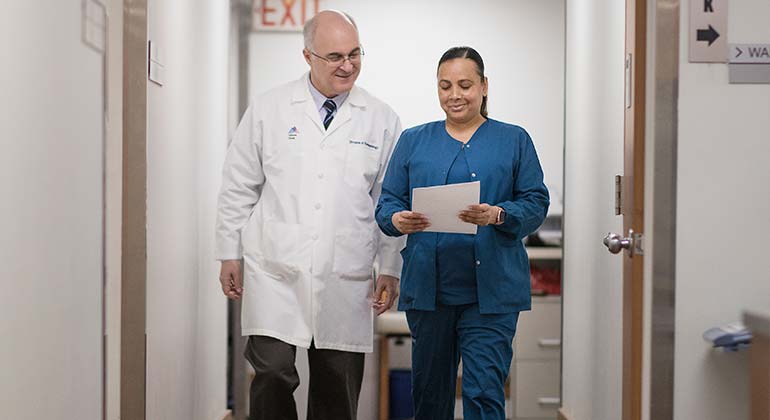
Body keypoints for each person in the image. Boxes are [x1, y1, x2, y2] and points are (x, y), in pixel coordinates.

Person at [215, 10, 404, 420]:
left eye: (355, 54)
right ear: (307, 56)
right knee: (273, 373)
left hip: (345, 273)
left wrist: (390, 266)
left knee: (337, 388)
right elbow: (238, 184)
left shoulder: (381, 118)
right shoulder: (270, 109)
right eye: (335, 56)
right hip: (274, 271)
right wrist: (229, 251)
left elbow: (389, 201)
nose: (348, 65)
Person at [375, 46, 550, 420]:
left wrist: (499, 214)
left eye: (465, 85)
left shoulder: (514, 139)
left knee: (484, 391)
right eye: (445, 86)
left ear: (484, 86)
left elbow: (536, 202)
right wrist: (397, 220)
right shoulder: (413, 140)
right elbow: (386, 203)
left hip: (492, 293)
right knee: (430, 395)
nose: (454, 94)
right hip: (430, 292)